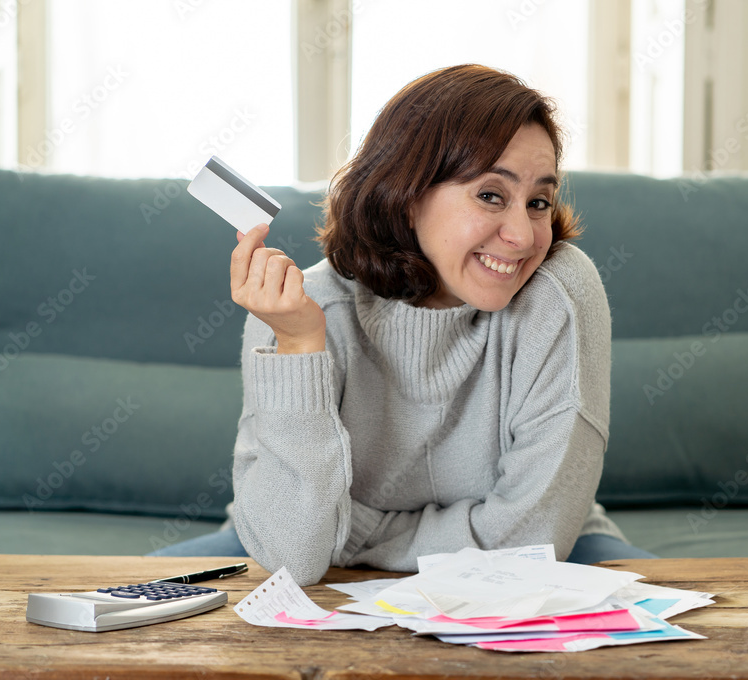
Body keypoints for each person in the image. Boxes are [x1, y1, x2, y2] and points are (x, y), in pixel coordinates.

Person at [151, 64, 656, 583]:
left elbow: (531, 537)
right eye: (490, 195)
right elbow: (293, 554)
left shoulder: (559, 292)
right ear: (407, 196)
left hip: (546, 551)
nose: (524, 237)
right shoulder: (301, 309)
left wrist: (356, 537)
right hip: (294, 544)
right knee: (111, 611)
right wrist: (299, 344)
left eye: (539, 203)